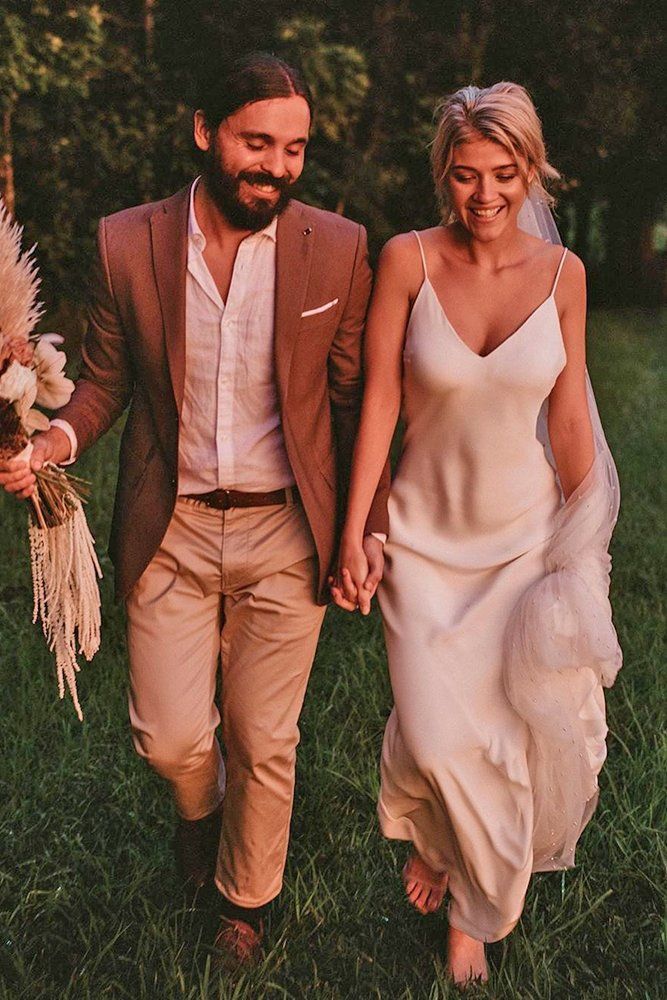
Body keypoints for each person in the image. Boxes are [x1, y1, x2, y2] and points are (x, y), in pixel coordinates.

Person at [0, 52, 389, 967]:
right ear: (206, 131)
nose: (277, 166)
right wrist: (49, 444)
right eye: (258, 142)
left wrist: (361, 524)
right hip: (168, 524)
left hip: (286, 528)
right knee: (170, 739)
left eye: (294, 149)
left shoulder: (335, 246)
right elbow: (102, 384)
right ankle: (197, 809)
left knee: (266, 735)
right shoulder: (126, 242)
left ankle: (243, 903)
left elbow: (351, 401)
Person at [333, 82, 621, 985]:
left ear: (530, 170)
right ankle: (445, 836)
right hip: (421, 546)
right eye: (465, 176)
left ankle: (474, 911)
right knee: (433, 736)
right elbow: (379, 401)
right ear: (441, 177)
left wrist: (586, 550)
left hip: (523, 545)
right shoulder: (407, 261)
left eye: (504, 174)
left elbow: (569, 420)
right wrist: (356, 530)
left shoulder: (562, 275)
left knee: (502, 739)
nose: (485, 195)